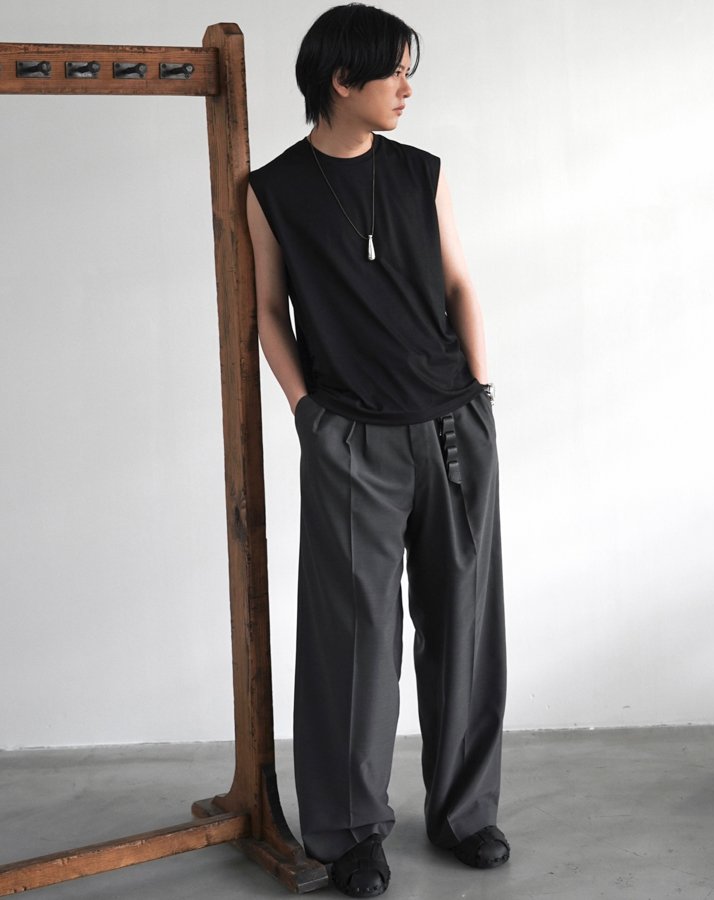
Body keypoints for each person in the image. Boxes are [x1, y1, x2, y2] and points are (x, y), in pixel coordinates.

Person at [246, 4, 508, 896]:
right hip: (351, 436)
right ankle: (351, 832)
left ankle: (465, 813)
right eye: (394, 72)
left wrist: (480, 393)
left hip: (452, 427)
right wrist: (309, 415)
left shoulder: (419, 172)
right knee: (353, 641)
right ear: (340, 80)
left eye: (408, 71)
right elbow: (267, 313)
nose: (406, 88)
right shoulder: (272, 189)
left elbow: (460, 281)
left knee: (463, 624)